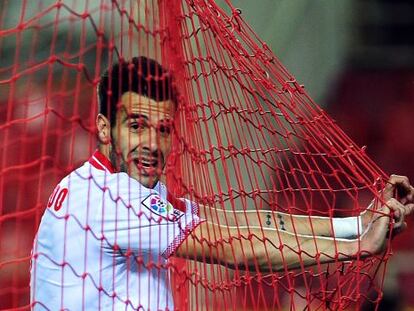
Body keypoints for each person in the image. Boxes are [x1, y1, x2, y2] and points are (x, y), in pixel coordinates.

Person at [30, 56, 414, 310]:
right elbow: (234, 248)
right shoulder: (110, 198)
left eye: (163, 130)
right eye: (136, 127)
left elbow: (239, 224)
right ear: (103, 129)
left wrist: (354, 225)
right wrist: (358, 248)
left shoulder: (105, 187)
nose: (151, 144)